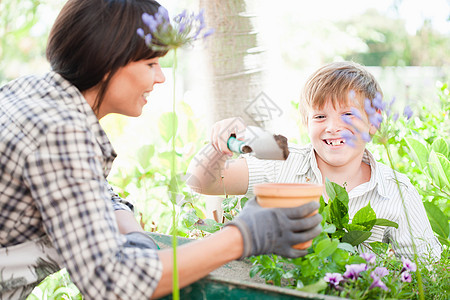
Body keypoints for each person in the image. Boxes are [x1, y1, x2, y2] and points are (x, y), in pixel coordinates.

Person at [0, 0, 323, 299]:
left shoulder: (30, 93)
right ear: (107, 60)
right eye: (152, 63)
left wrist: (126, 224)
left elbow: (78, 188)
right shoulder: (61, 132)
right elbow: (111, 283)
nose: (161, 79)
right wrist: (242, 237)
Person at [187, 61, 442, 260]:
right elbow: (201, 182)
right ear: (305, 123)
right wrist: (219, 146)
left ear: (373, 124)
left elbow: (428, 271)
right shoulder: (283, 162)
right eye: (320, 117)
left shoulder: (397, 191)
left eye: (348, 114)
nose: (333, 127)